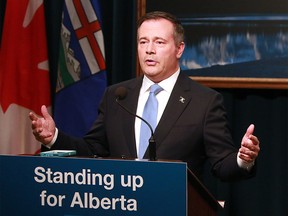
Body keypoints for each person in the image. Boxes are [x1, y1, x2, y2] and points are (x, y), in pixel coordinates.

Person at [29, 11, 260, 181]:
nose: (149, 49)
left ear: (179, 49)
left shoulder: (204, 101)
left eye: (159, 42)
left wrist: (243, 159)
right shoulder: (117, 96)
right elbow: (93, 150)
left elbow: (222, 164)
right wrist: (54, 137)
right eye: (143, 42)